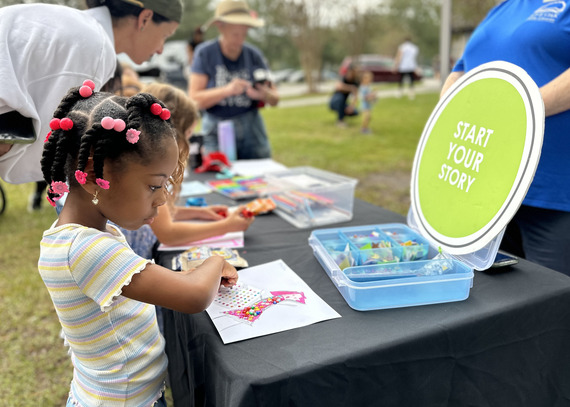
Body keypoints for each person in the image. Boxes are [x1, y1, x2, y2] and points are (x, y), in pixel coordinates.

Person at [39, 86, 238, 407]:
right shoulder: (86, 249)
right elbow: (193, 296)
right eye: (154, 186)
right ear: (94, 175)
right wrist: (216, 261)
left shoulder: (86, 235)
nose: (162, 199)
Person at [440, 0, 570, 275]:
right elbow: (462, 68)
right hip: (485, 189)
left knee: (552, 304)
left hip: (554, 193)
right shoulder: (505, 7)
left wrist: (514, 112)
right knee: (493, 302)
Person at [0, 0, 182, 185]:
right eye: (165, 35)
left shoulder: (77, 26)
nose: (160, 50)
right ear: (145, 19)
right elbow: (51, 147)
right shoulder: (96, 46)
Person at [119, 82, 255, 259]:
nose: (189, 145)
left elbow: (158, 213)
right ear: (173, 136)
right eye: (189, 135)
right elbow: (168, 233)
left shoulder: (142, 161)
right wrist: (227, 227)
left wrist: (198, 213)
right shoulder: (148, 172)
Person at [189, 0, 279, 160]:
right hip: (216, 128)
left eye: (243, 34)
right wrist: (227, 91)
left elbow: (275, 99)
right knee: (217, 178)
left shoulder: (254, 54)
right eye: (235, 34)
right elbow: (194, 100)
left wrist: (263, 94)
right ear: (221, 27)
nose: (239, 40)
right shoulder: (205, 53)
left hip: (252, 128)